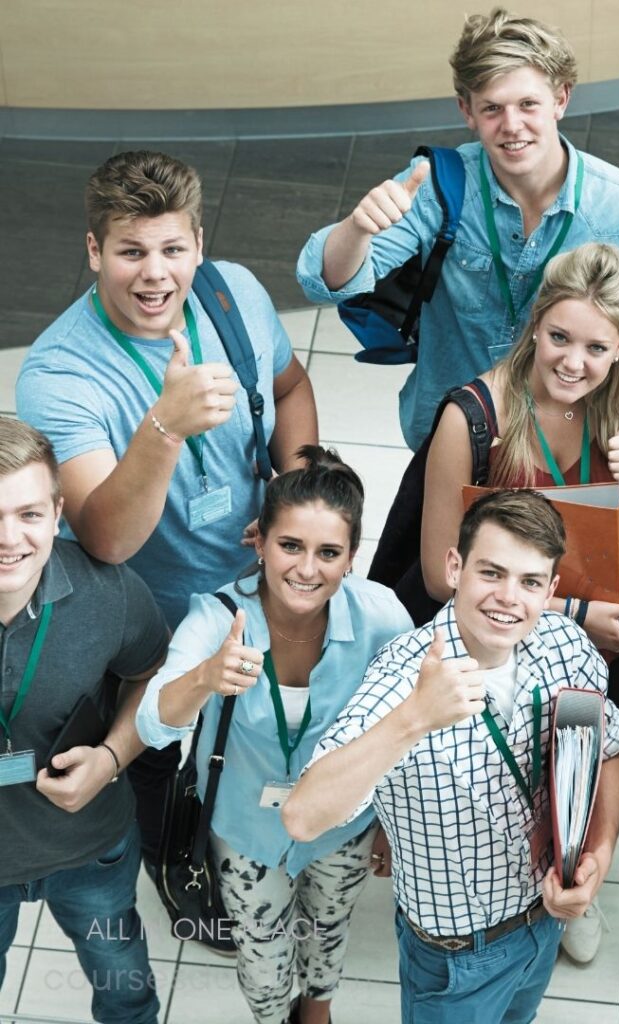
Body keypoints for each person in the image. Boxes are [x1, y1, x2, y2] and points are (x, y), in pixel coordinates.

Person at [16, 150, 318, 889]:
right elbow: (104, 537)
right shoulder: (58, 374)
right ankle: (170, 857)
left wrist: (298, 482)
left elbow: (292, 382)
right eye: (130, 252)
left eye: (172, 249)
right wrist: (165, 426)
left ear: (199, 243)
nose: (155, 275)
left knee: (255, 729)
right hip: (151, 618)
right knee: (152, 752)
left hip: (257, 584)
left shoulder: (234, 296)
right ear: (94, 251)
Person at [282, 489, 619, 1024]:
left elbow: (609, 751)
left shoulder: (565, 643)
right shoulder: (402, 678)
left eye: (530, 582)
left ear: (551, 590)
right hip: (456, 959)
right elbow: (302, 816)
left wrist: (600, 855)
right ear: (455, 567)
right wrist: (414, 718)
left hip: (544, 924)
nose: (508, 599)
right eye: (491, 573)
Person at [296, 7, 619, 450]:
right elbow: (322, 282)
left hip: (570, 444)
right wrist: (359, 229)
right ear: (467, 111)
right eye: (492, 108)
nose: (512, 126)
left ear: (561, 100)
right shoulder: (437, 184)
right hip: (451, 437)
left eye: (528, 104)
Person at [136, 446, 412, 1024]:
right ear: (259, 541)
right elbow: (152, 721)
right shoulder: (216, 619)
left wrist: (389, 823)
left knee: (330, 925)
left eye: (328, 552)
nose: (307, 570)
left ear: (351, 558)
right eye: (290, 546)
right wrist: (206, 676)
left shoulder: (382, 617)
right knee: (262, 955)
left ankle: (317, 1012)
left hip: (344, 823)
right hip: (245, 830)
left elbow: (403, 731)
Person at [422, 242, 619, 721]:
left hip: (604, 652)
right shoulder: (473, 418)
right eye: (560, 337)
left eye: (597, 348)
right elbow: (438, 575)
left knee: (588, 787)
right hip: (499, 655)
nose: (573, 363)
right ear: (536, 323)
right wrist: (575, 614)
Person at [0, 417, 168, 1024]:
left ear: (58, 511)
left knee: (125, 993)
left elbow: (150, 673)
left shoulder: (109, 592)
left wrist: (112, 756)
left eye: (28, 514)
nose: (9, 538)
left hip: (90, 849)